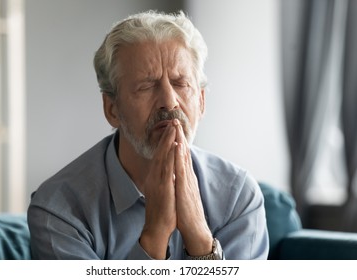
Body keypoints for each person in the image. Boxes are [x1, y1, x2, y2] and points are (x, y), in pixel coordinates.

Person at [27, 10, 269, 260]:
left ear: (202, 101)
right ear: (112, 109)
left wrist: (199, 237)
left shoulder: (238, 195)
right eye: (147, 86)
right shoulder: (58, 210)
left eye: (180, 83)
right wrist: (154, 234)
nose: (169, 102)